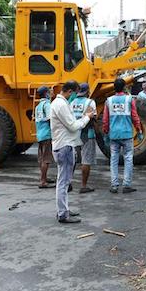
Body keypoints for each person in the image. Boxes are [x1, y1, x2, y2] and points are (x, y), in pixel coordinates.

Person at [51, 80, 96, 223]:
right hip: (65, 146)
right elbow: (73, 126)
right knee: (63, 182)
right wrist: (87, 117)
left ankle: (64, 209)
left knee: (64, 182)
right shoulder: (61, 105)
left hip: (63, 145)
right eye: (75, 93)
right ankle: (63, 214)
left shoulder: (61, 103)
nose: (76, 96)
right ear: (70, 91)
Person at [103, 78, 142, 194]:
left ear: (114, 88)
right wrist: (139, 129)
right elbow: (134, 116)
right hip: (127, 134)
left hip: (114, 135)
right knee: (128, 159)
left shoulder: (109, 101)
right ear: (124, 87)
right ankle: (127, 185)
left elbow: (105, 119)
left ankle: (114, 185)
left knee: (114, 159)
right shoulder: (129, 99)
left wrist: (106, 132)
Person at [70, 83, 97, 194]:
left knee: (72, 160)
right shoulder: (90, 102)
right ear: (87, 91)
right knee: (86, 160)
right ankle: (83, 186)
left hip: (74, 133)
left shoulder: (72, 103)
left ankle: (68, 183)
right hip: (87, 134)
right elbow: (93, 117)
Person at [35, 86, 55, 189]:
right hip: (47, 134)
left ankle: (44, 178)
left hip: (40, 134)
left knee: (42, 158)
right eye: (49, 91)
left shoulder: (38, 106)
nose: (51, 93)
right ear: (46, 93)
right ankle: (43, 181)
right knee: (46, 159)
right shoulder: (47, 105)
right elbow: (50, 119)